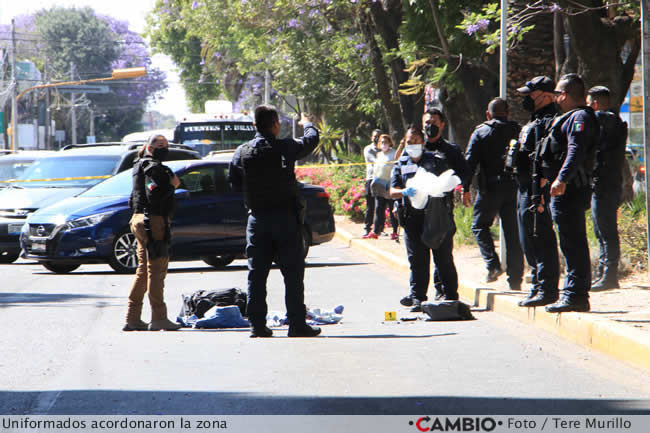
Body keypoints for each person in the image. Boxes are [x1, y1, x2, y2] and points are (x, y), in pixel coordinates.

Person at [229, 106, 321, 338]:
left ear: (254, 126)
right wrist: (308, 123)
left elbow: (234, 184)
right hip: (285, 220)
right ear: (276, 124)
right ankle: (297, 324)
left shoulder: (242, 152)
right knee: (293, 274)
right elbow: (310, 140)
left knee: (256, 275)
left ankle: (257, 325)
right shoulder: (285, 147)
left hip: (257, 219)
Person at [539, 74, 599, 312]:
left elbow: (575, 150)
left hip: (571, 189)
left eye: (556, 94)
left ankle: (576, 295)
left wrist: (561, 179)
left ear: (563, 94)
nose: (555, 99)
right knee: (569, 241)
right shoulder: (570, 117)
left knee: (573, 242)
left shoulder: (580, 117)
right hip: (565, 190)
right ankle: (573, 292)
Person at [391, 126, 459, 312]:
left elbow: (449, 182)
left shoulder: (436, 161)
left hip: (436, 216)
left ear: (423, 142)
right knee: (417, 260)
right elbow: (392, 190)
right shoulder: (401, 164)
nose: (412, 145)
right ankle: (417, 298)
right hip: (412, 218)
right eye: (408, 142)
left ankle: (451, 296)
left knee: (443, 257)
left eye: (416, 141)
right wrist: (403, 192)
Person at [123, 134, 182, 331]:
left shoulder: (138, 165)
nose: (164, 147)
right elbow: (155, 194)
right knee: (156, 271)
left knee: (143, 270)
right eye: (159, 144)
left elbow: (133, 198)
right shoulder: (154, 167)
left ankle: (132, 318)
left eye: (166, 144)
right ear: (149, 147)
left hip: (139, 218)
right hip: (153, 220)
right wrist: (172, 186)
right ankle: (159, 318)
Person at [465, 97, 524, 289]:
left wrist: (465, 187)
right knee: (513, 234)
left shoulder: (481, 131)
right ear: (507, 113)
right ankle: (515, 280)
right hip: (514, 188)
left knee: (479, 226)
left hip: (489, 189)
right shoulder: (519, 130)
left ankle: (492, 265)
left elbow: (469, 163)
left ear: (488, 114)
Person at [513, 76, 561, 308]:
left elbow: (550, 158)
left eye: (530, 95)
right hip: (524, 187)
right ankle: (537, 285)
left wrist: (541, 190)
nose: (526, 99)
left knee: (540, 238)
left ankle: (547, 288)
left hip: (537, 189)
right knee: (528, 239)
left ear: (547, 96)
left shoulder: (552, 121)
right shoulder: (535, 120)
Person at [422, 108, 471, 300]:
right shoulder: (418, 148)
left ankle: (446, 292)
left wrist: (457, 184)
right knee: (421, 256)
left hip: (442, 208)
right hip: (420, 210)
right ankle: (421, 295)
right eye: (427, 122)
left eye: (434, 122)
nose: (430, 126)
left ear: (442, 125)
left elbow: (465, 172)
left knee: (443, 253)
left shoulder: (450, 150)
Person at [587, 86, 627, 290]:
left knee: (606, 231)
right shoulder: (613, 120)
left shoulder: (604, 119)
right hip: (607, 182)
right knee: (602, 230)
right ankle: (604, 273)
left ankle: (609, 275)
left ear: (594, 103)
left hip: (604, 183)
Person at [364, 133, 399, 240]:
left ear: (390, 143)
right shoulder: (379, 155)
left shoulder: (394, 153)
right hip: (379, 185)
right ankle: (375, 231)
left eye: (386, 142)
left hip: (390, 185)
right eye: (382, 142)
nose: (384, 144)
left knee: (393, 208)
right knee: (379, 209)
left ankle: (394, 231)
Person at [363, 129, 382, 237]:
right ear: (371, 137)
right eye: (375, 136)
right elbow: (375, 162)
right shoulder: (368, 149)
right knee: (370, 206)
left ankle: (378, 228)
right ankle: (367, 228)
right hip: (371, 179)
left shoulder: (386, 149)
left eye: (379, 136)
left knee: (380, 206)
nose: (377, 138)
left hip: (383, 179)